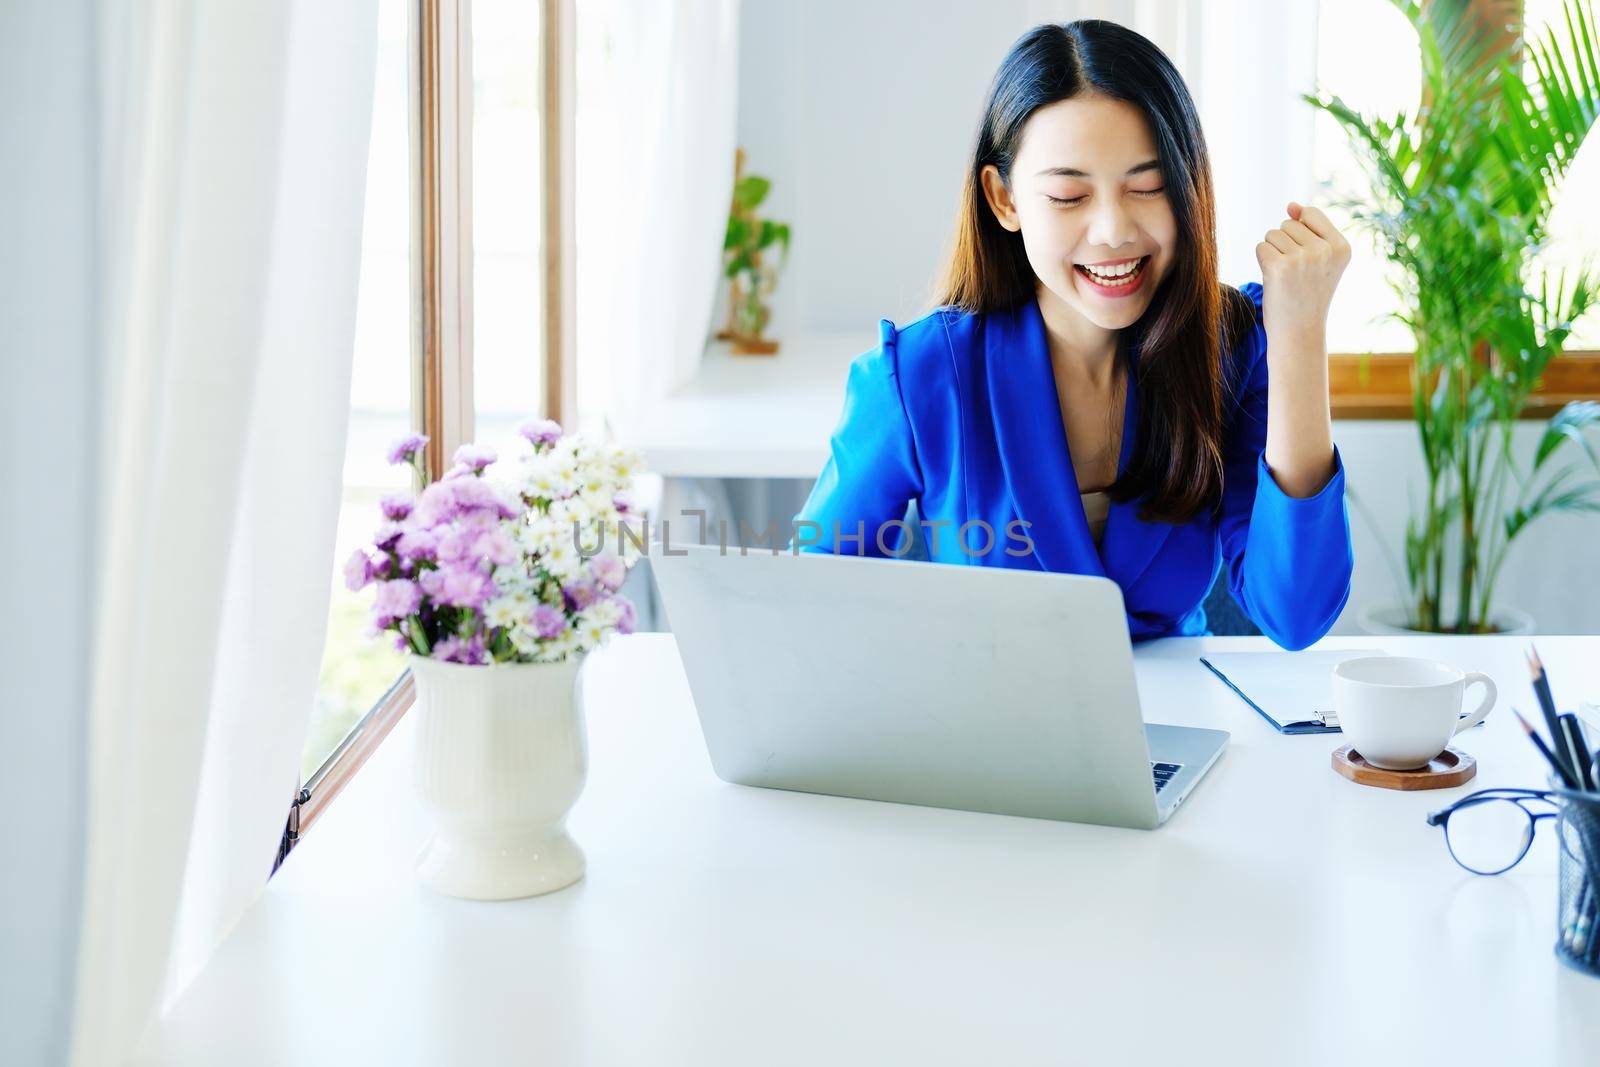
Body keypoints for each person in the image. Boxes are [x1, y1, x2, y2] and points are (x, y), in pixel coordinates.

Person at [792, 19, 1355, 651]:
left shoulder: (1232, 347)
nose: (1113, 230)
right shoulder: (917, 375)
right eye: (1068, 196)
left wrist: (1299, 335)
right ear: (1004, 199)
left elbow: (1298, 612)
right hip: (993, 730)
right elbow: (814, 603)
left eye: (1148, 187)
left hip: (1181, 729)